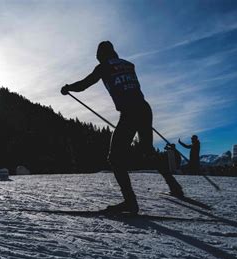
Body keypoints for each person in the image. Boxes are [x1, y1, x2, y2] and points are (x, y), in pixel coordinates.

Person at [61, 41, 184, 214]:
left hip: (129, 112)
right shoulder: (128, 64)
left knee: (115, 158)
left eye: (98, 55)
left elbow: (84, 84)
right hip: (144, 108)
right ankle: (174, 185)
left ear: (101, 54)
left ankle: (130, 202)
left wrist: (68, 88)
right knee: (148, 150)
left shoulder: (103, 67)